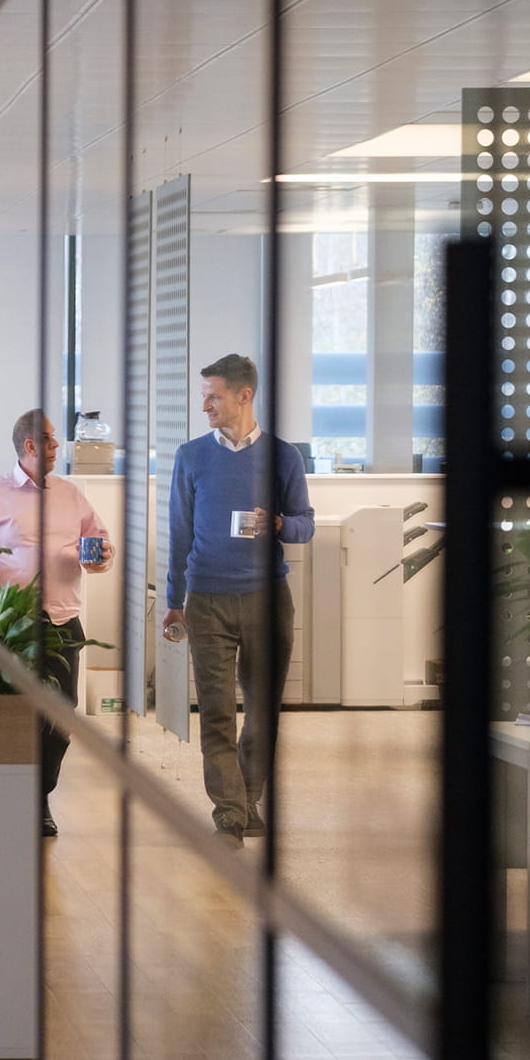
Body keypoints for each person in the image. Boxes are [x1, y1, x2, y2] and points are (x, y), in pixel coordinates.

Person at [161, 353, 315, 846]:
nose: (204, 405)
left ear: (244, 396)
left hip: (269, 598)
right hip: (206, 599)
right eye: (203, 395)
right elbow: (179, 533)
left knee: (263, 709)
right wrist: (174, 598)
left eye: (214, 396)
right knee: (216, 711)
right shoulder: (190, 457)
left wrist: (280, 525)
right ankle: (230, 811)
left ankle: (248, 797)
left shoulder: (284, 457)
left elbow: (306, 523)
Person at [0, 408, 114, 836]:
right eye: (50, 440)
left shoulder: (71, 494)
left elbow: (100, 539)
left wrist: (102, 555)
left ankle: (39, 794)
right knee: (14, 714)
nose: (57, 446)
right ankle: (17, 800)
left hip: (63, 619)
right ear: (30, 446)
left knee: (61, 719)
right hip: (11, 623)